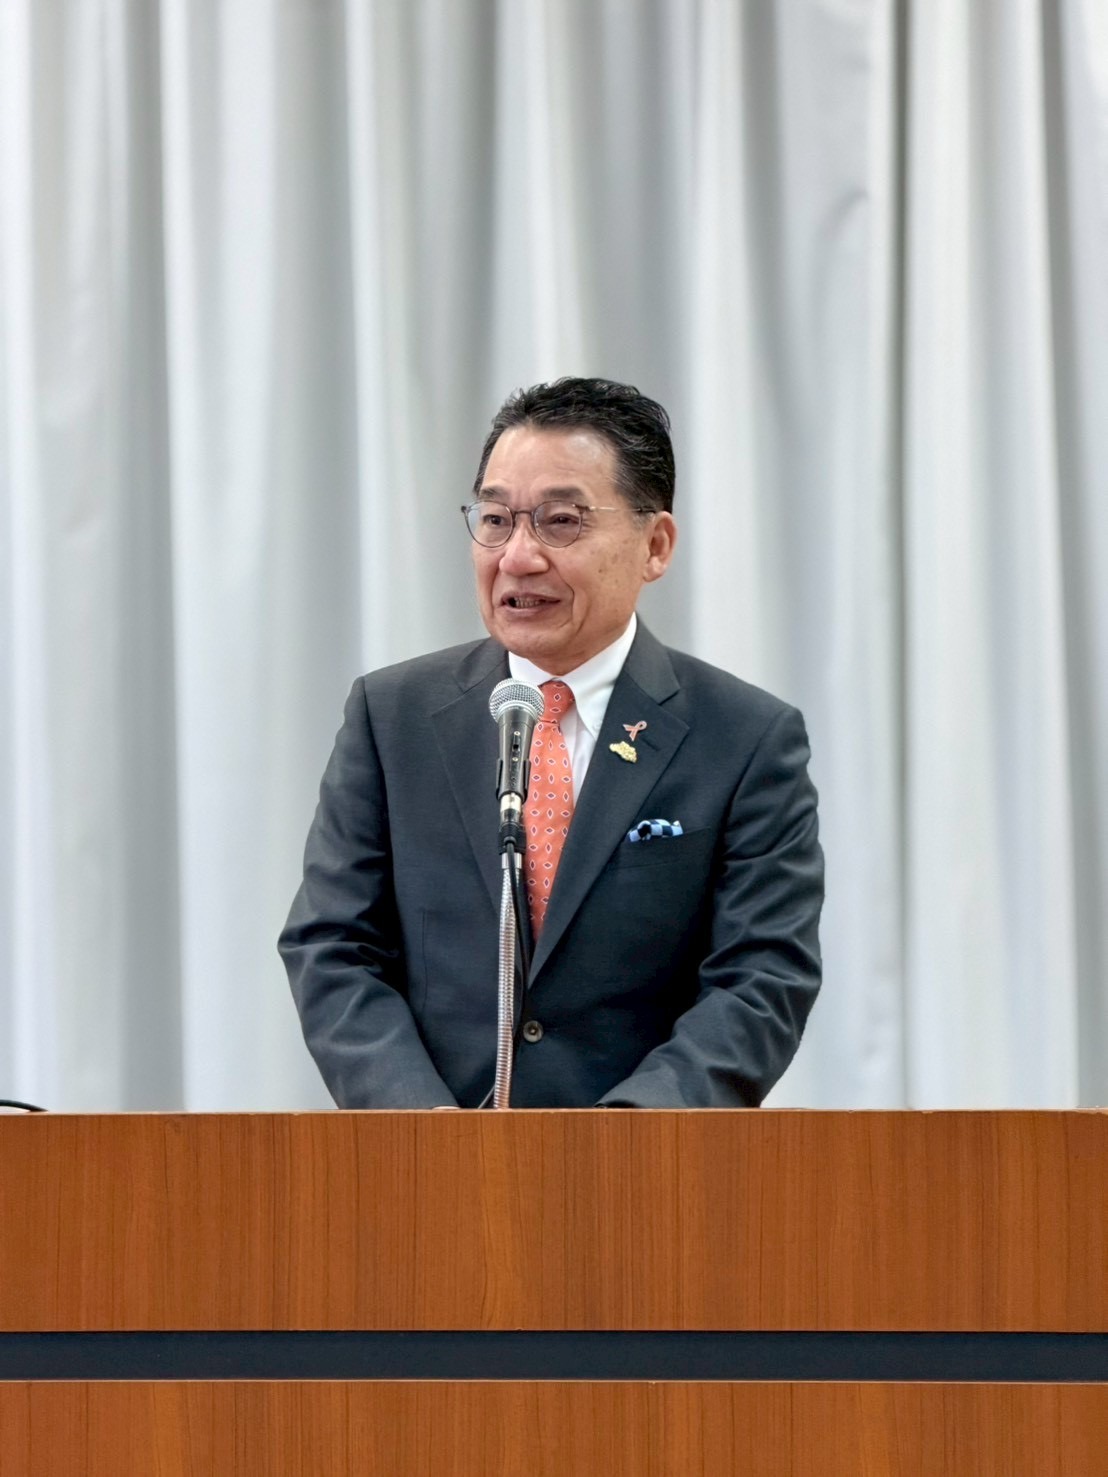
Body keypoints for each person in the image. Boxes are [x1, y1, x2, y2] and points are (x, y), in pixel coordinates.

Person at [279, 378, 822, 1107]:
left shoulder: (746, 738)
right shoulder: (393, 718)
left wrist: (621, 1138)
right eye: (496, 519)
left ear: (655, 545)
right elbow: (334, 947)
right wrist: (423, 1129)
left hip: (646, 1160)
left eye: (561, 522)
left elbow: (761, 979)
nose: (518, 556)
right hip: (433, 1156)